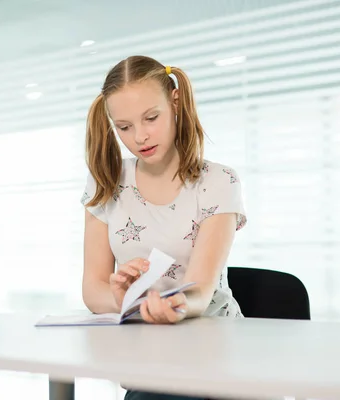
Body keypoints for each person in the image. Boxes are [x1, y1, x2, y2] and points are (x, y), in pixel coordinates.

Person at [80, 55, 247, 400]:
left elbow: (200, 293)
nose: (140, 136)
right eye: (124, 127)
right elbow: (92, 289)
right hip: (150, 356)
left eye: (151, 118)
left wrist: (168, 306)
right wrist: (122, 298)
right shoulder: (106, 183)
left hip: (217, 353)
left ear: (175, 103)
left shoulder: (217, 181)